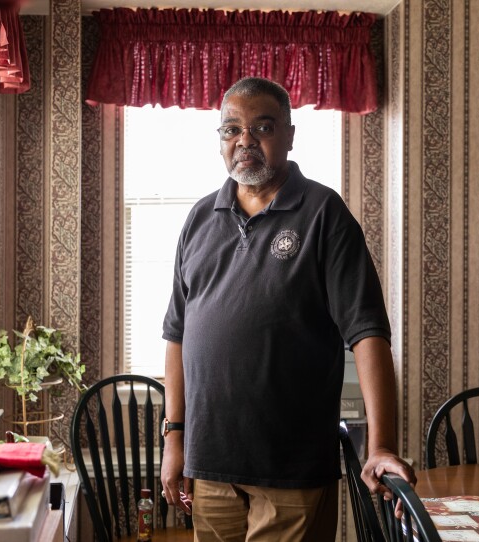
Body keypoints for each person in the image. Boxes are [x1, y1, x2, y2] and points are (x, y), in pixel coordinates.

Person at [160, 76, 415, 541]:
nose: (244, 140)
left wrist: (381, 445)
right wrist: (174, 437)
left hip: (291, 470)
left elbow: (368, 333)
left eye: (262, 127)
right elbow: (177, 334)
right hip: (210, 465)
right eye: (231, 129)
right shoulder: (199, 218)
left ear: (290, 135)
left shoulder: (323, 212)